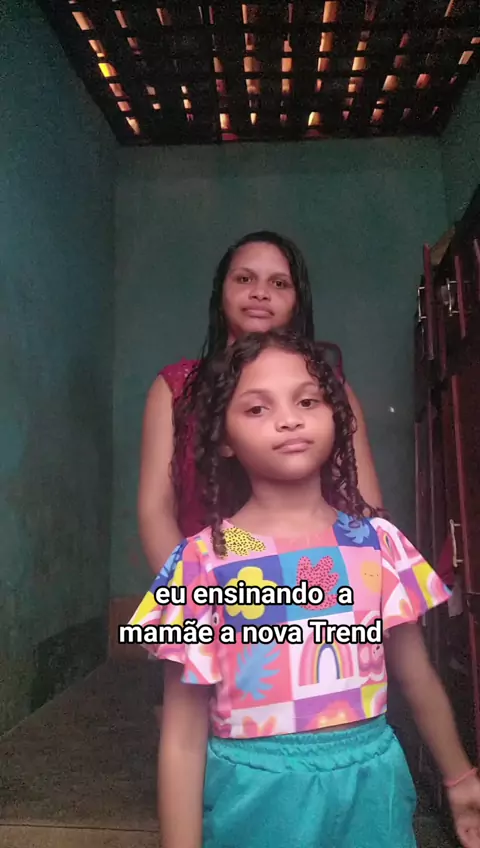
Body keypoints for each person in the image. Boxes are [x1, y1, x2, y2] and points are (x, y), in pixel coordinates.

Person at [128, 330, 480, 848]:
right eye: (257, 408)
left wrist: (461, 779)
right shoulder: (204, 562)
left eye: (307, 401)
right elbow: (182, 738)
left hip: (372, 790)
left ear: (335, 415)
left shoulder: (378, 543)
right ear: (223, 438)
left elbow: (417, 676)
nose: (289, 419)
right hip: (256, 797)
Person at [137, 231, 383, 577]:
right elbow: (155, 511)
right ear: (220, 293)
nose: (260, 292)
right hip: (209, 585)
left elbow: (363, 502)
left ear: (298, 300)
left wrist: (362, 585)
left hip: (326, 579)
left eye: (279, 283)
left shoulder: (331, 386)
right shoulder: (176, 388)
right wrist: (196, 591)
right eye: (244, 279)